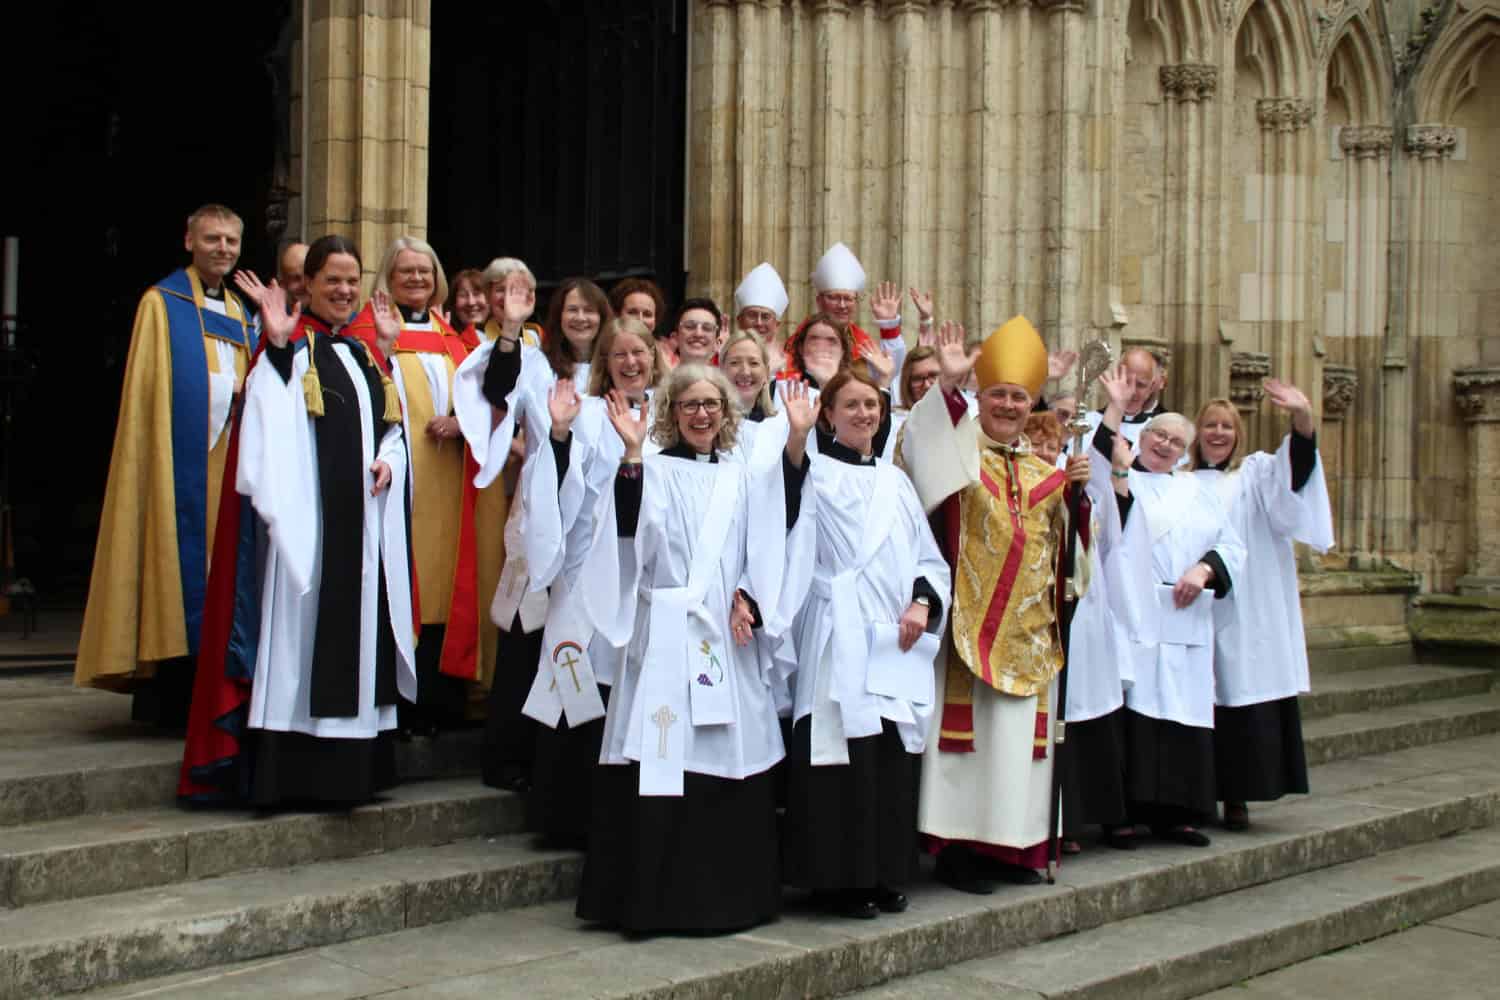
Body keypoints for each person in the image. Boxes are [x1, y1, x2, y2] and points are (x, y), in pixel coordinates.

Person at [181, 235, 416, 806]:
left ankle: (354, 772)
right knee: (299, 644)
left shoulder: (364, 356)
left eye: (351, 279)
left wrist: (390, 460)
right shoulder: (290, 348)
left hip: (361, 534)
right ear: (306, 284)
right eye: (332, 279)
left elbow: (393, 430)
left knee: (358, 645)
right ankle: (293, 774)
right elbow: (266, 427)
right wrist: (281, 350)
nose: (343, 290)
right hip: (305, 542)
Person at [572, 364, 807, 933]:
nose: (702, 415)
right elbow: (628, 535)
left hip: (727, 638)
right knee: (661, 757)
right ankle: (652, 903)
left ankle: (726, 898)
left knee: (725, 756)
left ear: (727, 414)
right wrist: (631, 456)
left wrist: (748, 595)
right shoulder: (651, 469)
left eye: (712, 405)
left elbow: (772, 537)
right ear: (672, 414)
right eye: (690, 405)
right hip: (665, 633)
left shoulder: (743, 476)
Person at [898, 318, 1092, 892]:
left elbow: (1071, 560)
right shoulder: (961, 453)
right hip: (970, 629)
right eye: (998, 394)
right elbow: (918, 449)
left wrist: (1077, 503)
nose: (1008, 405)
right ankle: (961, 852)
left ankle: (1014, 849)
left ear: (1033, 402)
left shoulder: (1047, 473)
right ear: (980, 398)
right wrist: (949, 386)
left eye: (1019, 396)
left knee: (1016, 748)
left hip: (1030, 633)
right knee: (973, 746)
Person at [780, 368, 951, 919]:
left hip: (892, 636)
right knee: (838, 757)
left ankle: (879, 873)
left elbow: (928, 557)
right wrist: (796, 437)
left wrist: (923, 602)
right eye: (850, 405)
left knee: (886, 759)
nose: (864, 414)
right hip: (836, 632)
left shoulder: (896, 482)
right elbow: (779, 508)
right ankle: (835, 880)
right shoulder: (814, 473)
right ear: (827, 413)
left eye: (872, 405)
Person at [76, 204, 256, 728]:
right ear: (189, 241)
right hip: (180, 463)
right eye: (212, 239)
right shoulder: (162, 304)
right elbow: (150, 391)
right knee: (173, 570)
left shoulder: (245, 313)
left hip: (229, 467)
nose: (222, 248)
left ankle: (217, 696)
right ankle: (168, 696)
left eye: (230, 241)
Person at [509, 317, 664, 845]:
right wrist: (556, 433)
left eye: (638, 353)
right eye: (618, 355)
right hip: (584, 567)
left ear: (653, 357)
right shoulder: (587, 412)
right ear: (604, 362)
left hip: (643, 575)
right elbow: (557, 481)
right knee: (575, 684)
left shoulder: (671, 413)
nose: (629, 363)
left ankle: (618, 815)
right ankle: (564, 816)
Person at [452, 277, 610, 793]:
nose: (581, 319)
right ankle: (509, 756)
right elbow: (497, 389)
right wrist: (512, 329)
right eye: (572, 310)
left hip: (596, 529)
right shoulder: (537, 364)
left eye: (590, 311)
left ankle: (560, 764)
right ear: (557, 316)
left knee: (579, 641)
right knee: (526, 637)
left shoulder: (619, 374)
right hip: (543, 518)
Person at [1099, 371, 1246, 848]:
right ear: (1143, 437)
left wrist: (1204, 570)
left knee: (1181, 712)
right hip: (1135, 612)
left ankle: (1179, 814)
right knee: (1132, 712)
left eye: (1176, 441)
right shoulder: (1120, 478)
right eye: (1159, 435)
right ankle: (1120, 815)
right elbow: (1107, 526)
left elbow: (1232, 546)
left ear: (1185, 451)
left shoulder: (1196, 492)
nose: (1165, 444)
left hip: (1185, 616)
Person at [348, 236, 477, 737]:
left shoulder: (451, 337)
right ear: (388, 276)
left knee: (444, 587)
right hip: (395, 484)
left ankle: (441, 705)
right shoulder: (367, 330)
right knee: (397, 586)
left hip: (447, 483)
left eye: (425, 271)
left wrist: (462, 423)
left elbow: (483, 401)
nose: (417, 280)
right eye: (406, 272)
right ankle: (395, 705)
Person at [1191, 386, 1331, 831]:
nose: (1218, 433)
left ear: (1239, 434)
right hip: (1189, 604)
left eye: (1227, 426)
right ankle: (1193, 797)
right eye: (1210, 424)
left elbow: (1297, 474)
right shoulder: (1177, 476)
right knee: (1191, 695)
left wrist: (1303, 419)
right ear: (1197, 431)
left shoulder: (1254, 475)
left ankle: (1237, 795)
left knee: (1239, 690)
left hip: (1247, 603)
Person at [1079, 347, 1163, 453]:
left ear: (1151, 387)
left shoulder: (1159, 435)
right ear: (1116, 377)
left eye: (1140, 385)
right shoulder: (1085, 423)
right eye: (1127, 382)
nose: (1132, 391)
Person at [733, 262, 790, 358]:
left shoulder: (792, 365)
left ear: (776, 324)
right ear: (739, 320)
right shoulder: (724, 359)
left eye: (765, 317)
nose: (759, 323)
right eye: (752, 315)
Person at [668, 297, 725, 367]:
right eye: (689, 326)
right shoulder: (662, 378)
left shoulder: (726, 378)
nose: (698, 333)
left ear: (717, 343)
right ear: (675, 338)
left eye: (707, 328)